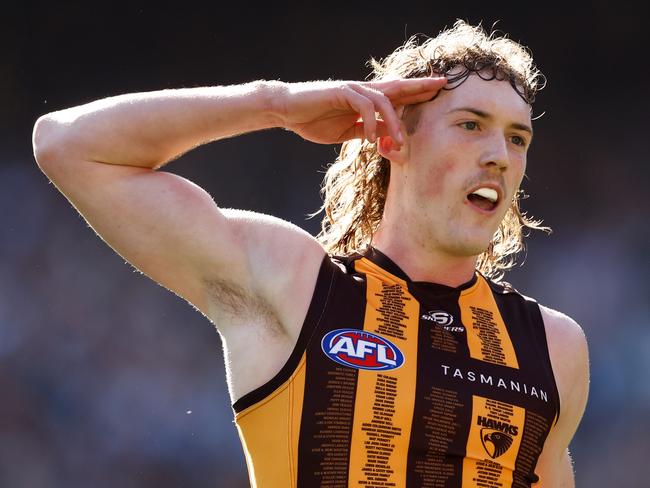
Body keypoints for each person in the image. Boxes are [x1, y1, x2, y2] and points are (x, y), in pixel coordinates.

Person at [33, 20, 588, 488]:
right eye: (471, 125)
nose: (498, 155)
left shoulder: (554, 346)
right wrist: (276, 102)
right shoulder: (296, 284)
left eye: (517, 138)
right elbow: (69, 146)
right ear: (392, 137)